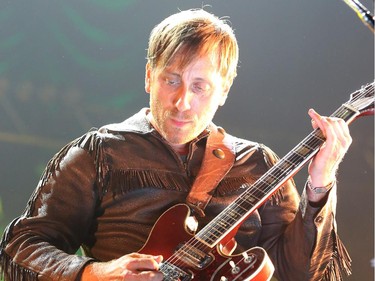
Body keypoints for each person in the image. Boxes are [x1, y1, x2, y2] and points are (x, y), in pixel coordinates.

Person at [0, 8, 353, 281]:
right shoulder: (97, 153)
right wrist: (96, 272)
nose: (182, 102)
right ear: (148, 76)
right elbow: (20, 249)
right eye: (171, 79)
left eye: (200, 87)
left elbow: (302, 273)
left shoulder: (258, 162)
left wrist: (320, 186)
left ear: (225, 91)